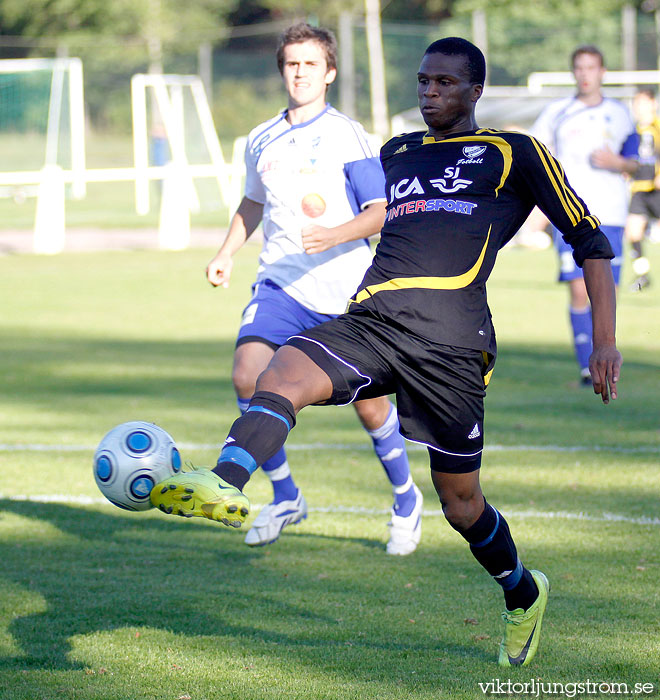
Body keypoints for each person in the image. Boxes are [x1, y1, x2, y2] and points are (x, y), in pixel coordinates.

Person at [152, 37, 622, 667]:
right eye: (424, 82)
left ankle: (521, 589)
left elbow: (589, 243)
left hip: (453, 343)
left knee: (460, 503)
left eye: (446, 83)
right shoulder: (397, 152)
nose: (431, 93)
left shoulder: (513, 152)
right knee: (278, 371)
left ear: (475, 90)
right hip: (373, 320)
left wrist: (605, 345)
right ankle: (223, 482)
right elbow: (368, 210)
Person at [203, 23, 422, 555]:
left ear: (329, 72)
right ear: (282, 70)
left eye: (309, 64)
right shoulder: (260, 138)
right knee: (249, 375)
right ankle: (285, 495)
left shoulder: (347, 134)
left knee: (370, 408)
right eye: (291, 63)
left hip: (346, 293)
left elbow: (380, 212)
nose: (299, 72)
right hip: (280, 284)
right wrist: (226, 251)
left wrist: (333, 235)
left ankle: (406, 496)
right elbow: (252, 203)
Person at [532, 45, 637, 385]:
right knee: (580, 289)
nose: (585, 74)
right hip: (571, 214)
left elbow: (640, 163)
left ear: (602, 72)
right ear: (573, 72)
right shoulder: (556, 113)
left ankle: (607, 358)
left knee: (608, 292)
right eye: (579, 67)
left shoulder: (620, 114)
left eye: (591, 67)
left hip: (611, 213)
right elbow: (534, 158)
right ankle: (584, 366)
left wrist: (618, 163)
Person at [625, 87, 659, 292]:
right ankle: (643, 275)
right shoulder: (633, 130)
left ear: (653, 104)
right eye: (636, 104)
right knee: (633, 233)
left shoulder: (657, 126)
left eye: (643, 103)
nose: (639, 108)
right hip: (639, 189)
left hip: (656, 189)